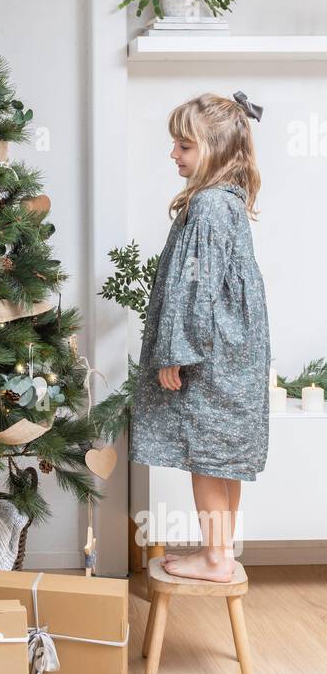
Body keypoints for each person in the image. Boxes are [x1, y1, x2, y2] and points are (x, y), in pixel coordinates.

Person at [129, 91, 269, 583]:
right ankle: (221, 552)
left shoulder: (209, 207)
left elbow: (196, 287)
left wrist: (176, 352)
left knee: (207, 459)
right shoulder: (226, 201)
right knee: (223, 456)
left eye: (183, 146)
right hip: (234, 349)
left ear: (214, 149)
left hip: (210, 351)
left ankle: (214, 557)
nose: (173, 154)